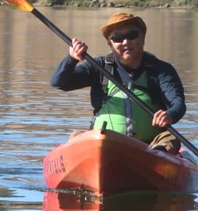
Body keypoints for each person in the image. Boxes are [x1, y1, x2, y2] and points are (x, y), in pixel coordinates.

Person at [50, 12, 186, 153]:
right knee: (76, 136)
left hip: (149, 145)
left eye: (132, 35)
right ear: (110, 43)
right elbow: (59, 82)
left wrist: (169, 114)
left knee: (171, 138)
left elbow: (177, 103)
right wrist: (71, 59)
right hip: (103, 144)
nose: (125, 42)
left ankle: (158, 158)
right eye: (118, 38)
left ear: (143, 38)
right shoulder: (98, 67)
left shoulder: (161, 69)